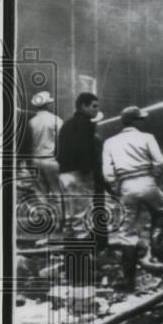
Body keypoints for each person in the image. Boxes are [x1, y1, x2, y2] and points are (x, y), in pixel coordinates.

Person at [102, 106, 163, 288]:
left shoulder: (110, 142)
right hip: (147, 181)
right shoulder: (147, 137)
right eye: (141, 119)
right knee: (160, 212)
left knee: (127, 232)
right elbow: (161, 162)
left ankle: (129, 279)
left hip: (126, 185)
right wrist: (156, 179)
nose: (143, 121)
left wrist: (116, 188)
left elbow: (108, 173)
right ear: (134, 121)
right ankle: (157, 247)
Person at [57, 92, 102, 237]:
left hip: (64, 174)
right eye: (94, 106)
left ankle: (70, 254)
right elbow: (84, 148)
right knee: (82, 216)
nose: (97, 110)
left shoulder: (66, 124)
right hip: (79, 175)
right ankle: (83, 256)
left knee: (71, 217)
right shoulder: (86, 123)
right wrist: (88, 170)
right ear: (83, 105)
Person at [27, 90, 64, 230]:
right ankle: (61, 222)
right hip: (51, 159)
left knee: (40, 193)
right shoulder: (56, 120)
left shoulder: (31, 122)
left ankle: (46, 223)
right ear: (48, 104)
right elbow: (62, 141)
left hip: (35, 160)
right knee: (57, 192)